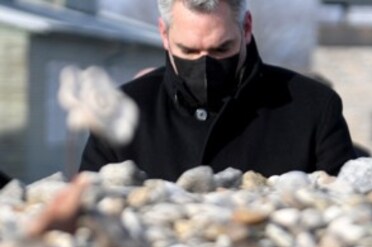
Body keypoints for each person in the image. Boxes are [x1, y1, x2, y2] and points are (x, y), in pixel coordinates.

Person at [80, 0, 355, 181]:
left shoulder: (313, 108)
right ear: (164, 34)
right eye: (188, 50)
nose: (204, 63)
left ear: (246, 28)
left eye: (221, 48)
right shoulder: (120, 110)